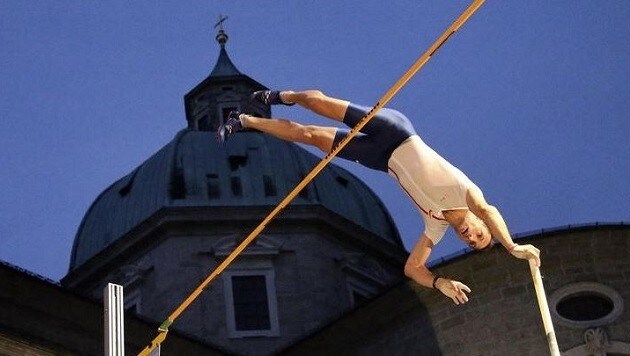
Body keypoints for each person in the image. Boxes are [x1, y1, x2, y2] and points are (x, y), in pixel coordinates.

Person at [217, 89, 541, 305]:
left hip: (379, 158)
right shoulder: (469, 194)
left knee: (311, 136)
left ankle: (242, 120)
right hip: (396, 132)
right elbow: (488, 208)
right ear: (480, 223)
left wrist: (439, 282)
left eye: (471, 243)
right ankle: (280, 95)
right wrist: (511, 245)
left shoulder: (436, 227)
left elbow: (412, 268)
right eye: (480, 234)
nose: (471, 237)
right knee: (318, 104)